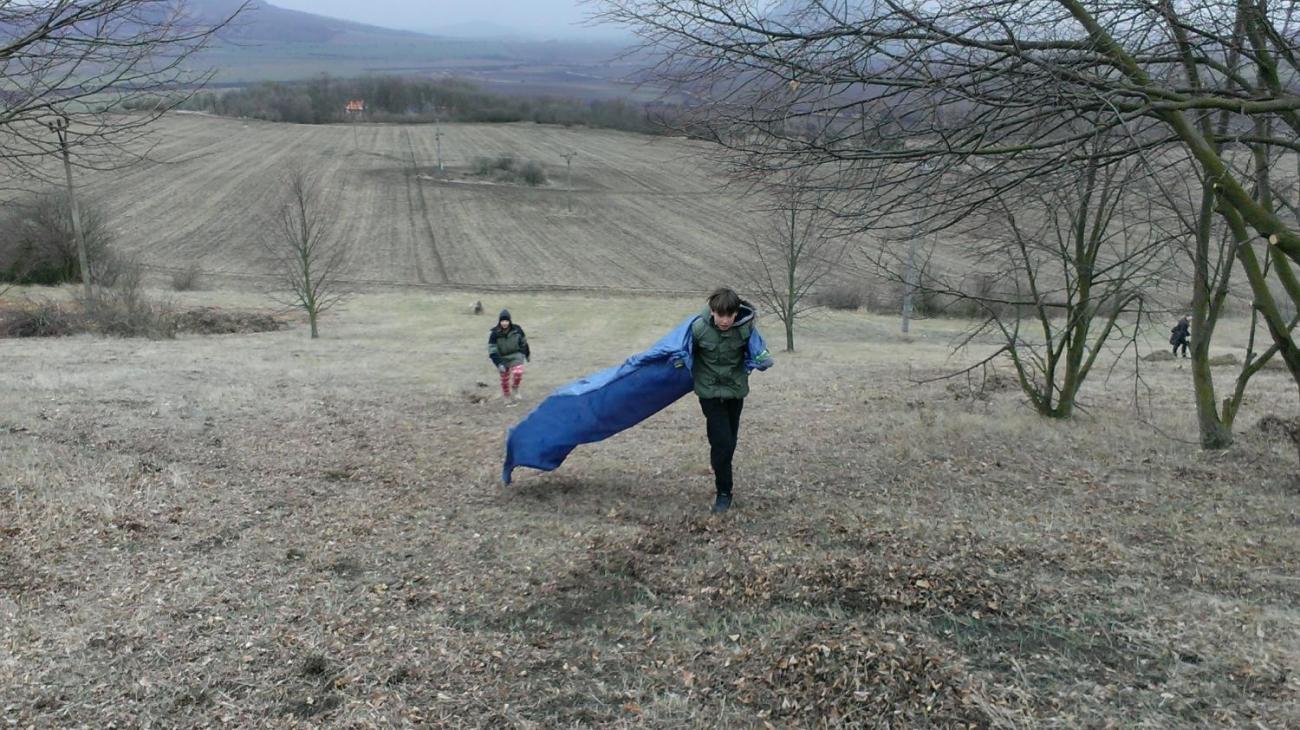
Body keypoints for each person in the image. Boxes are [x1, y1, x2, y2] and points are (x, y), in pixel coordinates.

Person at [691, 287, 772, 513]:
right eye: (720, 315)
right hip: (709, 394)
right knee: (722, 442)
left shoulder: (745, 329)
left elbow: (758, 352)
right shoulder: (698, 329)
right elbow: (682, 353)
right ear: (712, 311)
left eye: (729, 315)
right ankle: (724, 492)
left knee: (729, 441)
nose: (725, 320)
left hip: (735, 392)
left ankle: (719, 463)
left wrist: (760, 360)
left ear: (736, 312)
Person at [489, 309, 530, 405]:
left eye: (506, 321)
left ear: (509, 321)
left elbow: (524, 343)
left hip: (516, 355)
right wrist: (499, 363)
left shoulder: (517, 330)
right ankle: (506, 395)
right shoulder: (494, 334)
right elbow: (492, 350)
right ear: (499, 322)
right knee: (505, 379)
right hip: (502, 358)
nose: (504, 323)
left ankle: (515, 387)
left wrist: (527, 354)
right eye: (502, 321)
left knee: (518, 372)